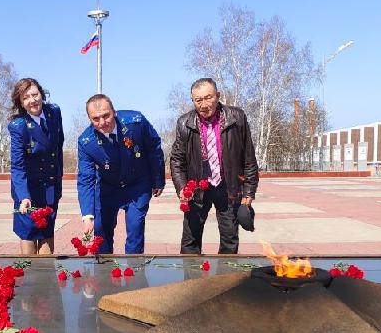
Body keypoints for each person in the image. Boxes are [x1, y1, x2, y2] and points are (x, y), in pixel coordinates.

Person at [170, 78, 259, 254]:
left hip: (227, 188)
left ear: (218, 96)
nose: (203, 104)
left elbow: (248, 158)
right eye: (198, 100)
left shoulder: (236, 118)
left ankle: (226, 281)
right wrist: (182, 188)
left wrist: (248, 193)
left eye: (208, 97)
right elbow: (177, 161)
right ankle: (191, 281)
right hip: (196, 189)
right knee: (190, 241)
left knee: (229, 240)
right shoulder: (184, 123)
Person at [76, 94, 164, 254]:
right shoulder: (86, 142)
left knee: (135, 230)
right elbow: (86, 179)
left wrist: (158, 179)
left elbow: (154, 147)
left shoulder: (136, 122)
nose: (102, 123)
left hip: (138, 184)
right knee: (101, 232)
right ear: (89, 119)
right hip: (108, 187)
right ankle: (104, 273)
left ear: (114, 112)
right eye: (96, 119)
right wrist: (87, 216)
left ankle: (134, 272)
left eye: (106, 115)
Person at [8, 77, 64, 254]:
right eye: (26, 97)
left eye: (35, 94)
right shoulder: (18, 126)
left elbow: (59, 145)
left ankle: (46, 277)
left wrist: (58, 179)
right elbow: (18, 166)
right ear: (21, 103)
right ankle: (30, 277)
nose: (32, 100)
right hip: (28, 189)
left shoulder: (54, 112)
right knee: (28, 232)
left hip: (50, 186)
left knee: (47, 232)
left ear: (42, 94)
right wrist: (23, 196)